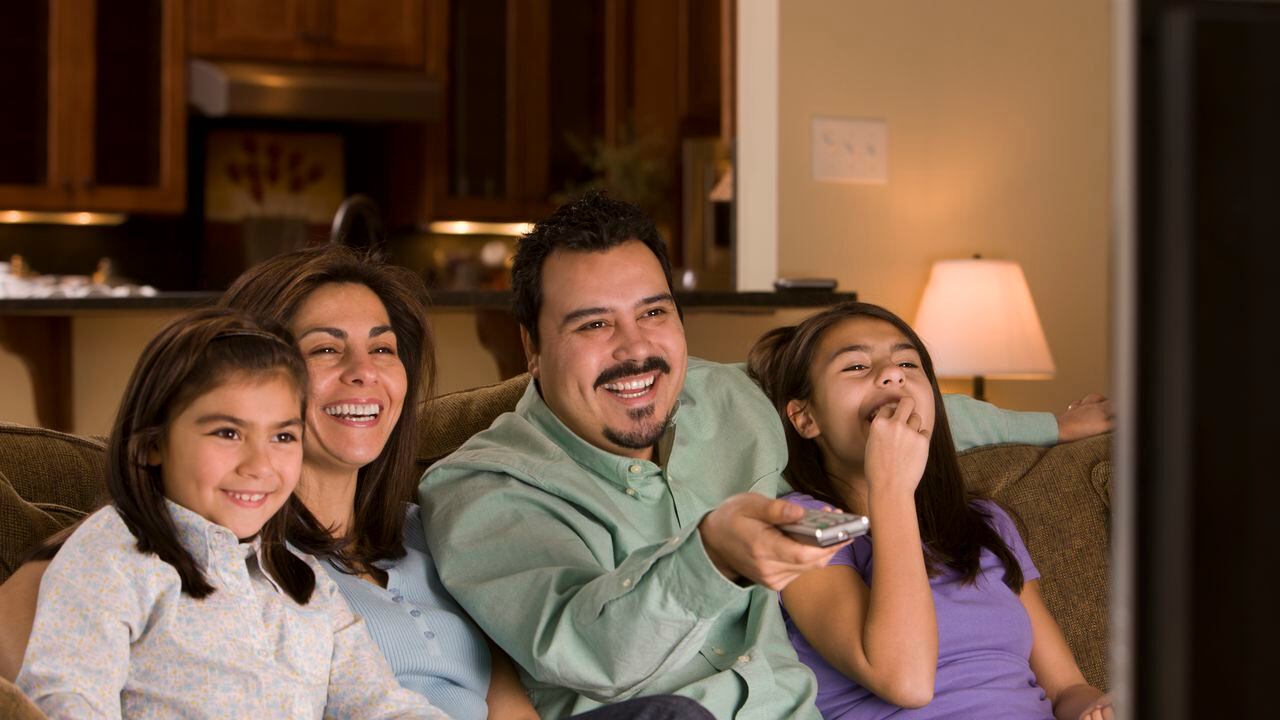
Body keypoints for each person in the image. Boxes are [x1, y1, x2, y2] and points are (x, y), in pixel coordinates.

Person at [417, 192, 1110, 719]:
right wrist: (710, 560)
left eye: (654, 313)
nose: (635, 349)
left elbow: (878, 412)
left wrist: (1050, 422)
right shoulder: (481, 488)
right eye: (594, 323)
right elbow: (582, 652)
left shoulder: (727, 400)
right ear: (531, 348)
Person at [3, 245, 709, 720]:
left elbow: (416, 702)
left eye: (381, 347)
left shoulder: (426, 529)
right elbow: (51, 661)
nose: (364, 372)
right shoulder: (185, 554)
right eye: (324, 349)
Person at [16, 308, 442, 718]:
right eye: (228, 432)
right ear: (151, 445)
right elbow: (67, 700)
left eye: (282, 436)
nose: (258, 465)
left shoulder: (303, 581)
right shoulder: (112, 560)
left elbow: (380, 705)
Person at [746, 300, 1112, 720]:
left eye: (908, 362)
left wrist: (1096, 706)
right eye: (856, 367)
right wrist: (892, 491)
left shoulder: (983, 521)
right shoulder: (800, 523)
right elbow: (906, 681)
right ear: (805, 417)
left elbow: (1067, 688)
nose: (892, 373)